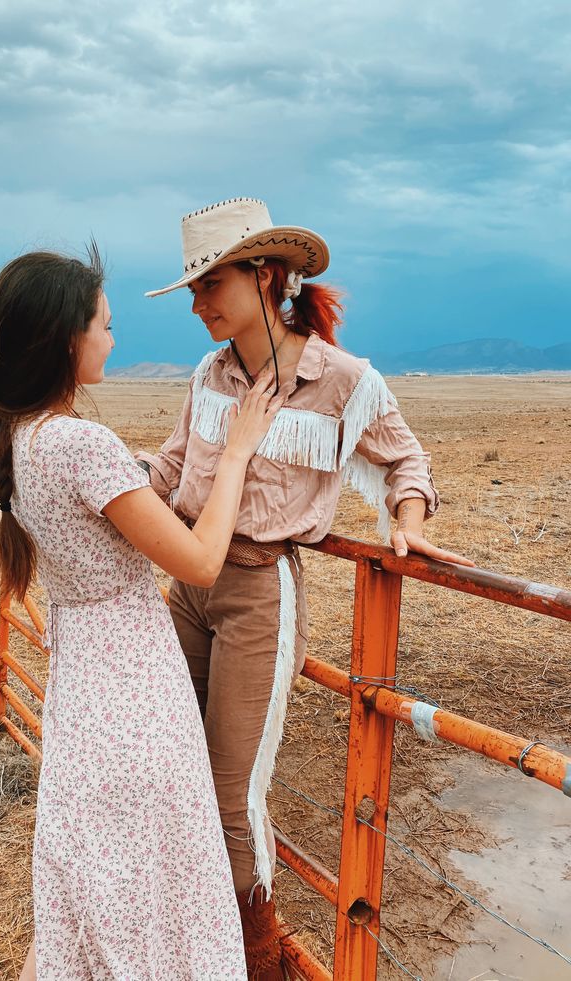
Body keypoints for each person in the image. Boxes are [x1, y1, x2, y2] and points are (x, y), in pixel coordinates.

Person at [137, 197, 475, 980]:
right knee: (168, 764)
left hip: (260, 593)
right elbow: (169, 469)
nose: (196, 304)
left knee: (229, 794)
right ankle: (183, 937)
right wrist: (101, 491)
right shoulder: (210, 373)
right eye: (191, 289)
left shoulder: (343, 379)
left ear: (265, 277)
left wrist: (408, 518)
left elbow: (404, 459)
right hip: (188, 586)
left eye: (206, 284)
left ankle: (257, 958)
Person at [0, 248, 286, 980]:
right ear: (65, 340)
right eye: (105, 326)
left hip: (84, 685)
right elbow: (201, 562)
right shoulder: (81, 443)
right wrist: (237, 450)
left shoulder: (21, 438)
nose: (114, 340)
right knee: (161, 877)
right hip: (136, 691)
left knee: (97, 876)